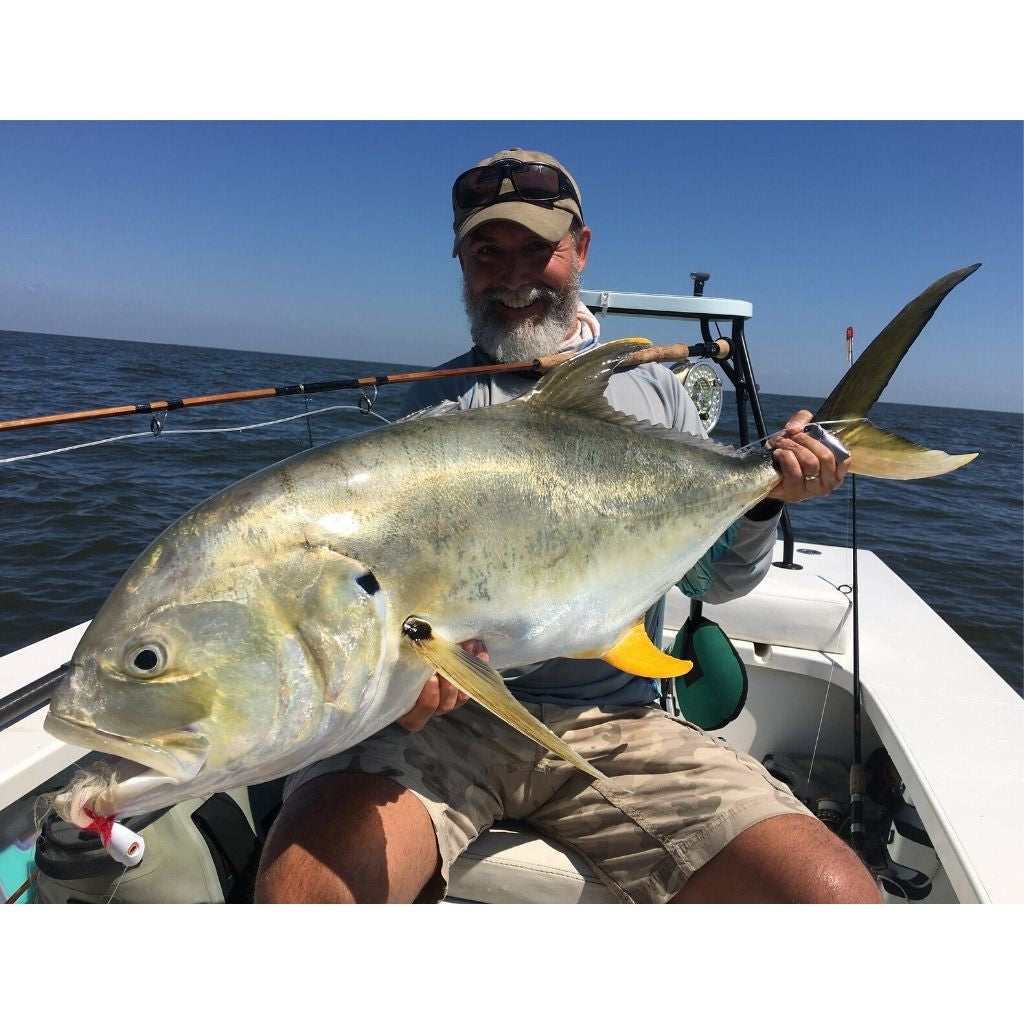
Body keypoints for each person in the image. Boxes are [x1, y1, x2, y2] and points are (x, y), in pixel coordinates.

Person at [255, 148, 881, 904]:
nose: (514, 276)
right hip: (454, 724)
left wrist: (765, 497)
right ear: (460, 263)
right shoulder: (435, 417)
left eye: (537, 249)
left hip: (619, 721)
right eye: (488, 252)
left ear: (580, 250)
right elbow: (400, 611)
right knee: (305, 893)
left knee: (831, 896)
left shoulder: (658, 397)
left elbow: (713, 580)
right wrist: (401, 687)